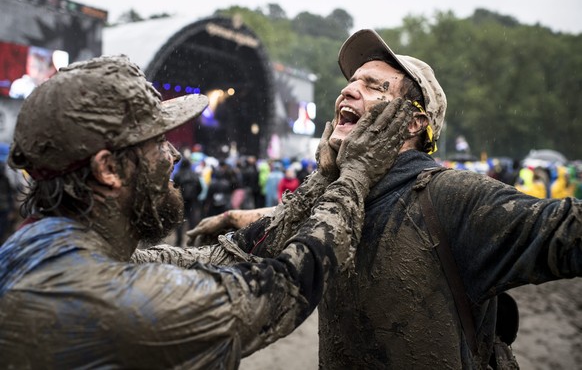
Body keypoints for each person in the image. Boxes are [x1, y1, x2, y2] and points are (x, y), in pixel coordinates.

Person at [188, 29, 582, 368]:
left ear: (413, 123)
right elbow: (326, 219)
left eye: (375, 86)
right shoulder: (339, 197)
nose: (349, 89)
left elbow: (567, 229)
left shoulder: (452, 196)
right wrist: (241, 217)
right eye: (353, 81)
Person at [0, 54, 413, 368]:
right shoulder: (110, 298)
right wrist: (355, 174)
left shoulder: (47, 249)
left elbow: (212, 261)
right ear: (108, 168)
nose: (174, 154)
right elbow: (285, 288)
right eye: (157, 141)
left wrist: (321, 181)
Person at [172, 157, 202, 247]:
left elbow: (174, 188)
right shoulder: (194, 174)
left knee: (180, 221)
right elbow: (200, 188)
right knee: (192, 220)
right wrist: (195, 196)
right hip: (192, 201)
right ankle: (192, 240)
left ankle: (179, 241)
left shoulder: (178, 174)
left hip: (181, 201)